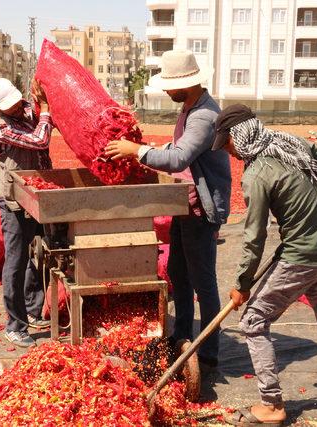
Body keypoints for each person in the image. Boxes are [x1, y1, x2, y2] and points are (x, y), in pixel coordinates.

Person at [213, 104, 317, 425]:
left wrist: (242, 284)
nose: (228, 151)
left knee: (253, 321)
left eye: (227, 143)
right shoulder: (291, 144)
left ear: (239, 135)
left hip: (301, 258)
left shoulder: (256, 173)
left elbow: (255, 236)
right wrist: (315, 200)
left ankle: (272, 405)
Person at [105, 50, 231, 370]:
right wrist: (154, 149)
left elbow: (179, 160)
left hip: (200, 208)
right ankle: (182, 336)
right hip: (182, 202)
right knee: (178, 272)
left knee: (203, 281)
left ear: (185, 85)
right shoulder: (190, 107)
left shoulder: (204, 115)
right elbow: (176, 149)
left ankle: (209, 352)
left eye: (168, 87)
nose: (165, 92)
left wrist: (136, 151)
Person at [0, 77, 53, 348]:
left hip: (36, 195)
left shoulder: (26, 111)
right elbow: (39, 139)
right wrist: (45, 108)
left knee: (39, 255)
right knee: (15, 261)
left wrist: (43, 103)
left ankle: (33, 310)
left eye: (16, 103)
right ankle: (15, 326)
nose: (16, 109)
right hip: (13, 200)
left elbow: (49, 120)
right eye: (9, 106)